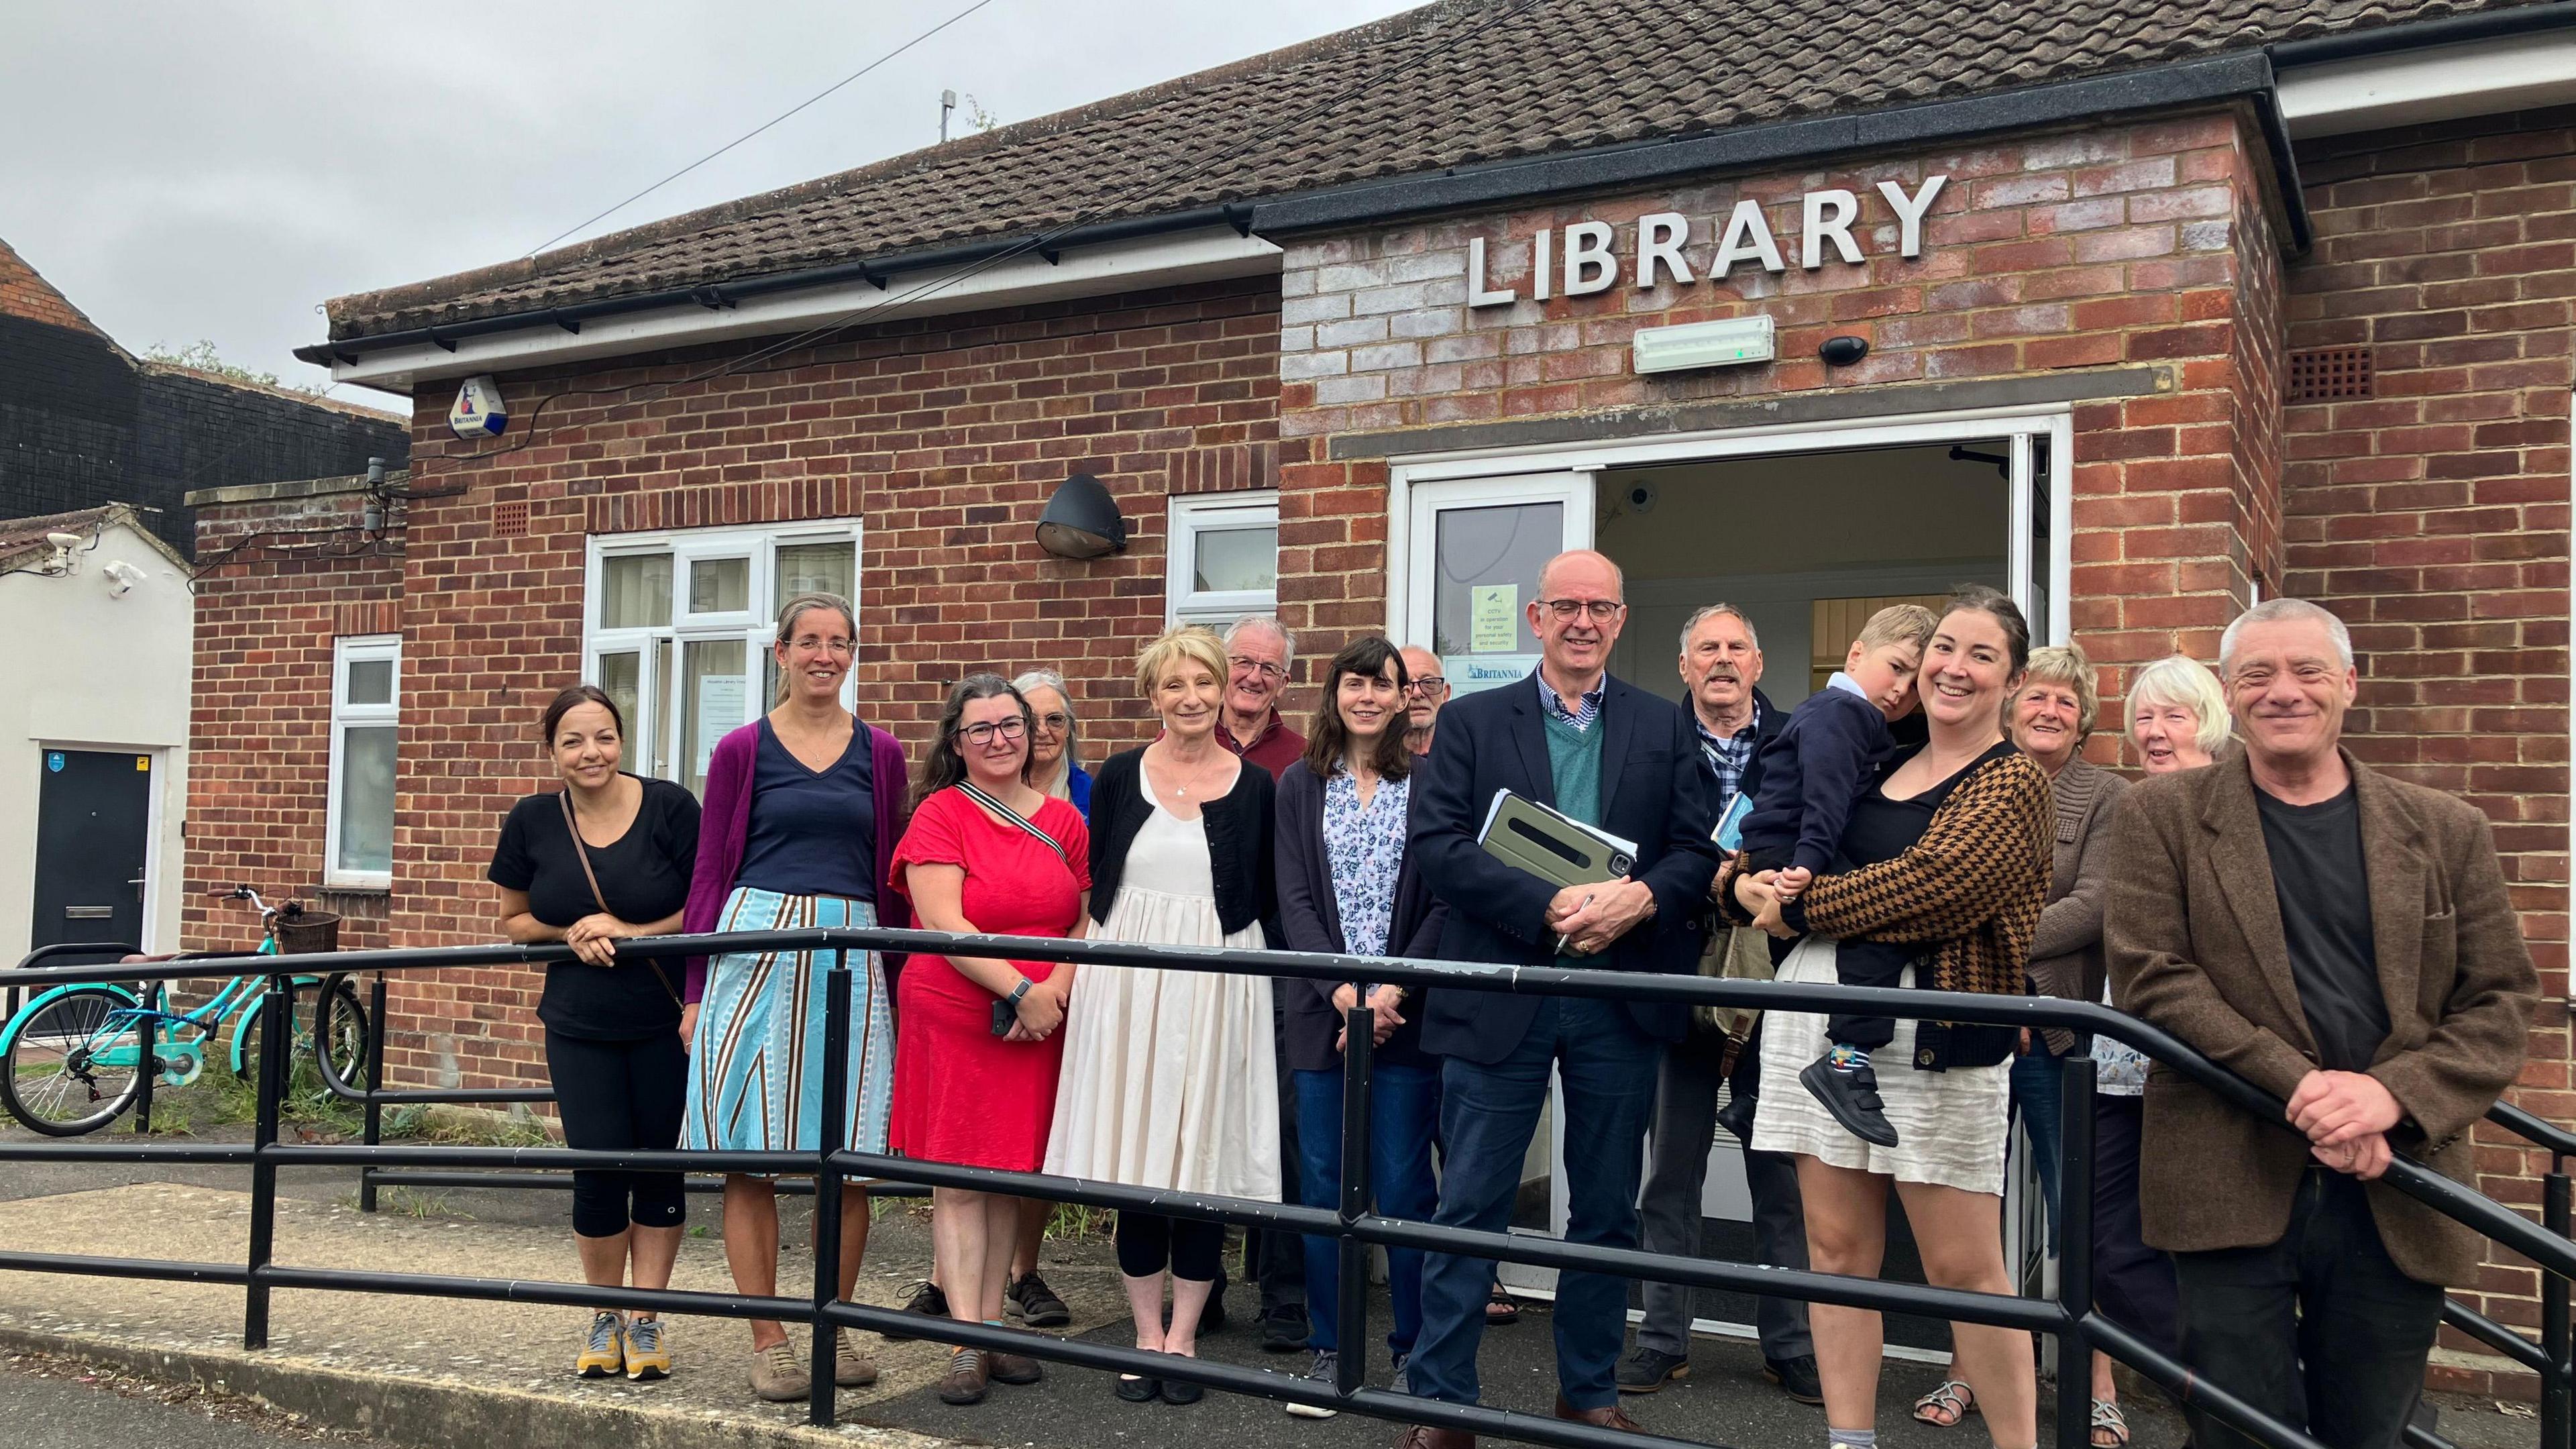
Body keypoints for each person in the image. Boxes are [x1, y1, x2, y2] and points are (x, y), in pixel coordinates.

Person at [2107, 600, 2538, 1449]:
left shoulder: (2449, 829)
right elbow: (2154, 979)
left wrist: (2390, 1098)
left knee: (2368, 1429)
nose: (2284, 692)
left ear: (2347, 684)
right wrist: (2307, 1089)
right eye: (2258, 675)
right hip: (2225, 1171)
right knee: (2239, 1432)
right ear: (2231, 694)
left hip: (2398, 1175)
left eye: (2307, 671)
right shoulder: (2160, 816)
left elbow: (2500, 1003)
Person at [1395, 549, 1719, 1449]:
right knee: (1470, 1204)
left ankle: (1586, 1389)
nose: (1584, 621)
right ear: (1536, 618)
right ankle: (1442, 1402)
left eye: (1601, 608)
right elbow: (1440, 847)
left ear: (1621, 621)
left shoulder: (1667, 723)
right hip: (1507, 986)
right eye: (1567, 606)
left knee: (1608, 1208)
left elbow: (1696, 851)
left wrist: (1640, 898)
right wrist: (1547, 906)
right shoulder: (1468, 722)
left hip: (1618, 997)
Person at [1726, 584, 2050, 1449]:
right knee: (1835, 1255)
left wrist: (1796, 907)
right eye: (1944, 647)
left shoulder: (2012, 780)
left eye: (1983, 655)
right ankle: (1850, 1440)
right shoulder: (1877, 754)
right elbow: (1775, 836)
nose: (1952, 667)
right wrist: (1741, 882)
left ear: (2012, 683)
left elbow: (1937, 887)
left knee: (1963, 1271)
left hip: (1935, 1041)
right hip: (1820, 1030)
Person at [1046, 625, 1283, 1407]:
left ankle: (1185, 1338)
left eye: (1203, 683)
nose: (1191, 698)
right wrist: (1072, 977)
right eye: (1174, 685)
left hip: (1218, 983)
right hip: (1129, 986)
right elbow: (1097, 891)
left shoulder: (1257, 789)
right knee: (1138, 1162)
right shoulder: (1117, 776)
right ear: (1153, 695)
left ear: (1223, 691)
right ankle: (1144, 1335)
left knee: (1202, 1160)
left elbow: (1266, 900)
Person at [680, 592, 909, 1404]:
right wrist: (697, 989)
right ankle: (770, 1335)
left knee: (844, 1160)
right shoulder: (741, 750)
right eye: (807, 641)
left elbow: (893, 874)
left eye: (838, 642)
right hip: (753, 944)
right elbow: (710, 871)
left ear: (853, 655)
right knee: (752, 1151)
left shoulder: (881, 753)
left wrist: (898, 977)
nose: (824, 655)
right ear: (779, 654)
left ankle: (832, 1319)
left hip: (852, 952)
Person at [1621, 603, 1818, 1405]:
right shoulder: (1648, 742)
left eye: (1738, 646)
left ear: (1760, 663)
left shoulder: (1804, 742)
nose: (1724, 660)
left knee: (1782, 1176)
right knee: (1671, 1173)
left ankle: (1794, 1344)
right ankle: (1664, 1339)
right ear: (1684, 666)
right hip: (1678, 976)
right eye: (1707, 648)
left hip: (1776, 980)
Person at [889, 674, 1090, 1405]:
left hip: (1041, 1019)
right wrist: (1019, 991)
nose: (1001, 739)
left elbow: (1079, 919)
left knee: (1010, 1176)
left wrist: (1055, 993)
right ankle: (967, 1343)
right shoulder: (942, 814)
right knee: (961, 1183)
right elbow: (944, 921)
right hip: (959, 1008)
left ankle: (996, 1331)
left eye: (1013, 725)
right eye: (983, 729)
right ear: (957, 741)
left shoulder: (1066, 821)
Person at [490, 684, 700, 1383]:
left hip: (664, 1020)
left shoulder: (670, 807)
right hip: (578, 1023)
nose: (592, 753)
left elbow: (708, 908)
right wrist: (570, 931)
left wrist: (631, 932)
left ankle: (646, 1320)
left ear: (621, 741)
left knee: (658, 1169)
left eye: (604, 737)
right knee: (597, 1172)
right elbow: (516, 920)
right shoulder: (532, 821)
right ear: (552, 751)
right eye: (574, 740)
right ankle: (605, 1311)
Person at [1274, 637, 1446, 1415]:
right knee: (1322, 1188)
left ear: (1407, 696)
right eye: (1357, 683)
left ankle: (1413, 1350)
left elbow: (1445, 899)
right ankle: (1329, 1351)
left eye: (1386, 685)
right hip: (1324, 1018)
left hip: (1405, 1021)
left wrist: (1389, 996)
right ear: (1334, 693)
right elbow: (1294, 902)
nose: (1371, 697)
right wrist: (1346, 994)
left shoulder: (1436, 783)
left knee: (1407, 1186)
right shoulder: (1298, 786)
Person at [1987, 645, 2130, 1444]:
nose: (2048, 712)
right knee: (1972, 1211)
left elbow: (2098, 903)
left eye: (2065, 704)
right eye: (2036, 697)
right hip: (1975, 1027)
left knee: (2075, 1209)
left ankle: (2095, 1374)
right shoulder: (1978, 780)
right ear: (2012, 707)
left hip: (2056, 1028)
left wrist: (1996, 945)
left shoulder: (2106, 793)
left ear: (2083, 723)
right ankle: (1970, 1366)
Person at [1735, 603, 1938, 1148]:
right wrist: (1808, 865)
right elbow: (1825, 797)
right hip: (1796, 845)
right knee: (1880, 925)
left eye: (1916, 685)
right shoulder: (1845, 713)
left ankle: (1750, 1093)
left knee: (1787, 969)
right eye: (1896, 667)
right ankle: (1847, 1062)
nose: (1902, 690)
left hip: (1780, 844)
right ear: (1856, 653)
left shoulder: (1840, 712)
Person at [1219, 613, 1310, 1348]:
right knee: (1202, 1121)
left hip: (1280, 963)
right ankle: (1201, 1284)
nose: (1253, 677)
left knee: (1286, 1128)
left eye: (1268, 668)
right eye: (1242, 662)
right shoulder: (1182, 747)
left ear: (1287, 681)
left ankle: (1285, 1295)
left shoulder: (1304, 761)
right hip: (1202, 960)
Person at [1018, 668, 1093, 821]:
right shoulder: (988, 791)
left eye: (1055, 719)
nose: (1042, 731)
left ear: (1068, 729)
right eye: (1030, 720)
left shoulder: (1092, 797)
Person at [1399, 645, 1448, 758]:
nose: (1417, 693)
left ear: (1445, 694)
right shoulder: (1373, 759)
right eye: (1405, 684)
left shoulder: (1462, 755)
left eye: (1429, 683)